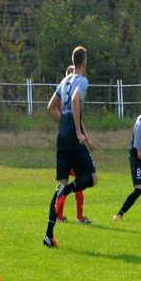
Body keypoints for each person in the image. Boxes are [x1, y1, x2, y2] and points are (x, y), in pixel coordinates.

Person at [43, 46, 97, 248]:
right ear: (84, 62)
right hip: (73, 139)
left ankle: (48, 234)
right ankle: (67, 191)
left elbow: (51, 107)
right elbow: (75, 100)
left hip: (61, 137)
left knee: (60, 185)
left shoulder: (64, 80)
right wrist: (77, 132)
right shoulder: (82, 81)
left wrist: (66, 125)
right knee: (92, 178)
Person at [55, 66, 89, 224]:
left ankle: (58, 214)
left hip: (63, 144)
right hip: (72, 145)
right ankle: (79, 217)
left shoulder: (64, 100)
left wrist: (86, 139)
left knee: (62, 182)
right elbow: (77, 123)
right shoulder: (72, 101)